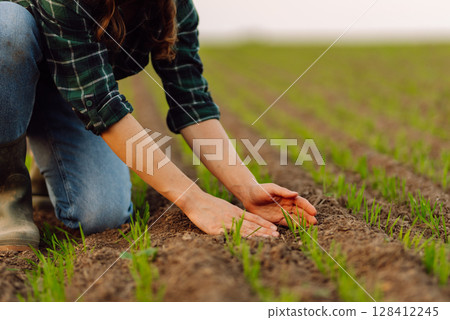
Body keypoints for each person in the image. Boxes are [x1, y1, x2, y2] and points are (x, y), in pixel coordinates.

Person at [0, 0, 317, 251]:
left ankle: (50, 163)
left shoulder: (174, 7)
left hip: (73, 92)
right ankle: (6, 196)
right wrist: (195, 202)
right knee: (7, 28)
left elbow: (191, 103)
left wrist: (247, 189)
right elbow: (102, 105)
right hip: (10, 74)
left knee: (102, 215)